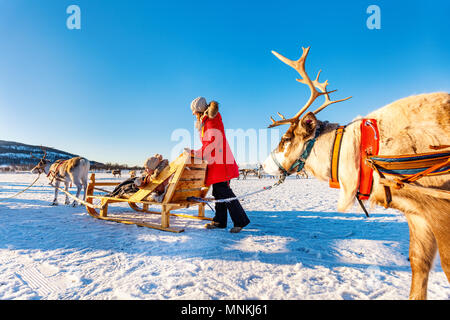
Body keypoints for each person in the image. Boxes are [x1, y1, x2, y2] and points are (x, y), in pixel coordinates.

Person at [188, 97, 250, 233]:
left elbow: (211, 144)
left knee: (224, 192)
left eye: (194, 112)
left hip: (221, 163)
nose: (193, 115)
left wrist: (195, 153)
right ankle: (219, 221)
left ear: (199, 111)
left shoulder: (211, 121)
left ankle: (240, 221)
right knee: (218, 192)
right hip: (217, 162)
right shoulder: (207, 122)